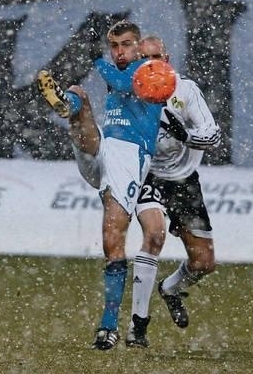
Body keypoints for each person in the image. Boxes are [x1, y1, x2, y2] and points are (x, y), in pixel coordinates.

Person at [37, 21, 163, 350]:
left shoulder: (150, 70)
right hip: (104, 146)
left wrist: (95, 59)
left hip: (130, 156)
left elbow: (121, 83)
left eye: (125, 45)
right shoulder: (126, 66)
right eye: (114, 46)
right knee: (78, 94)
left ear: (139, 45)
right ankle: (68, 106)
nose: (119, 52)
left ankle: (108, 327)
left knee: (112, 240)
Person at [125, 36, 221, 347]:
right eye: (144, 58)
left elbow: (213, 135)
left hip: (183, 180)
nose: (152, 64)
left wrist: (187, 135)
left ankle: (170, 288)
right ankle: (138, 325)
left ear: (168, 58)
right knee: (154, 236)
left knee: (204, 263)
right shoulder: (128, 93)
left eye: (157, 57)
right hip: (149, 175)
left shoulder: (186, 90)